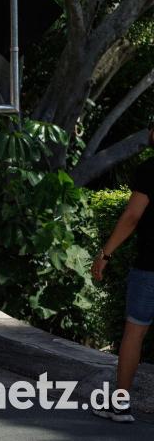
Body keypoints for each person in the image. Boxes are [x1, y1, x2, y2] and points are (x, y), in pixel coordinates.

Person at [90, 123, 154, 424]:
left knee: (134, 333)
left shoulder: (149, 169)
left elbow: (131, 217)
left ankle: (121, 404)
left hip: (150, 266)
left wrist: (105, 253)